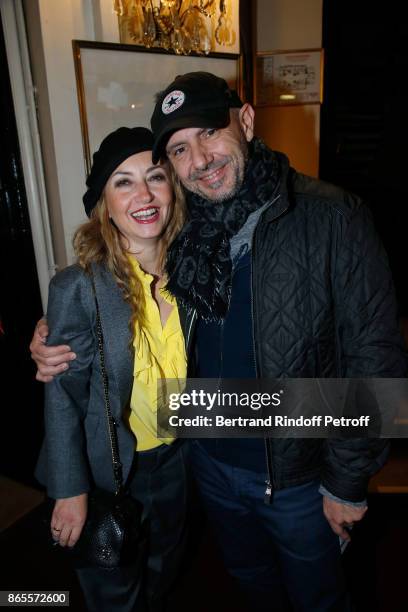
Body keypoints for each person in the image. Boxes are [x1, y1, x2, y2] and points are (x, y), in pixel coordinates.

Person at [31, 73, 407, 611]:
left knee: (321, 600)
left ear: (247, 122)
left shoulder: (331, 217)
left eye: (210, 132)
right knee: (248, 589)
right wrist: (47, 338)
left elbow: (377, 357)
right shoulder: (186, 236)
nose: (200, 158)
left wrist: (347, 480)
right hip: (206, 467)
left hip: (297, 480)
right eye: (180, 149)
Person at [34, 126, 193, 612]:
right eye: (123, 182)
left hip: (181, 460)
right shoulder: (77, 287)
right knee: (113, 594)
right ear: (104, 202)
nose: (143, 195)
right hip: (111, 472)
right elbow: (62, 395)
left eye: (155, 177)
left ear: (173, 188)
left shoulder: (197, 271)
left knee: (165, 573)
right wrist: (70, 490)